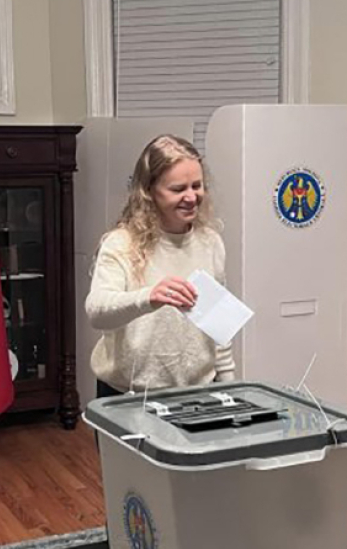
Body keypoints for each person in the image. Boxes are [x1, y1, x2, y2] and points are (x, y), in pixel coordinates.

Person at [85, 134, 235, 398]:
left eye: (197, 186)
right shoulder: (121, 244)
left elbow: (217, 325)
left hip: (199, 392)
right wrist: (148, 298)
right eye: (178, 189)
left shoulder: (210, 242)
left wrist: (230, 387)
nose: (191, 197)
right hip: (127, 395)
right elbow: (97, 312)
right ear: (149, 192)